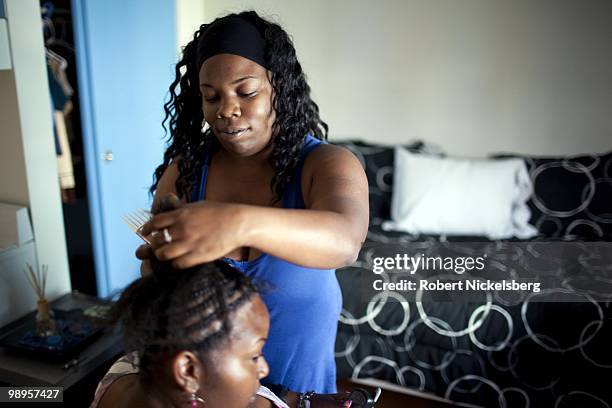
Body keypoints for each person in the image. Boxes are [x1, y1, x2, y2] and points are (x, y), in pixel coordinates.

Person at [137, 11, 369, 393]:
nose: (226, 110)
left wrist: (235, 221)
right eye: (211, 97)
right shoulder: (187, 171)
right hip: (214, 392)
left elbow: (345, 242)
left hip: (298, 391)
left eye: (245, 92)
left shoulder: (324, 164)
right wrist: (160, 265)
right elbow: (158, 278)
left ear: (278, 86)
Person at [91, 260, 362, 408]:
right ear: (187, 370)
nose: (264, 368)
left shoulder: (133, 366)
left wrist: (302, 401)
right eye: (254, 356)